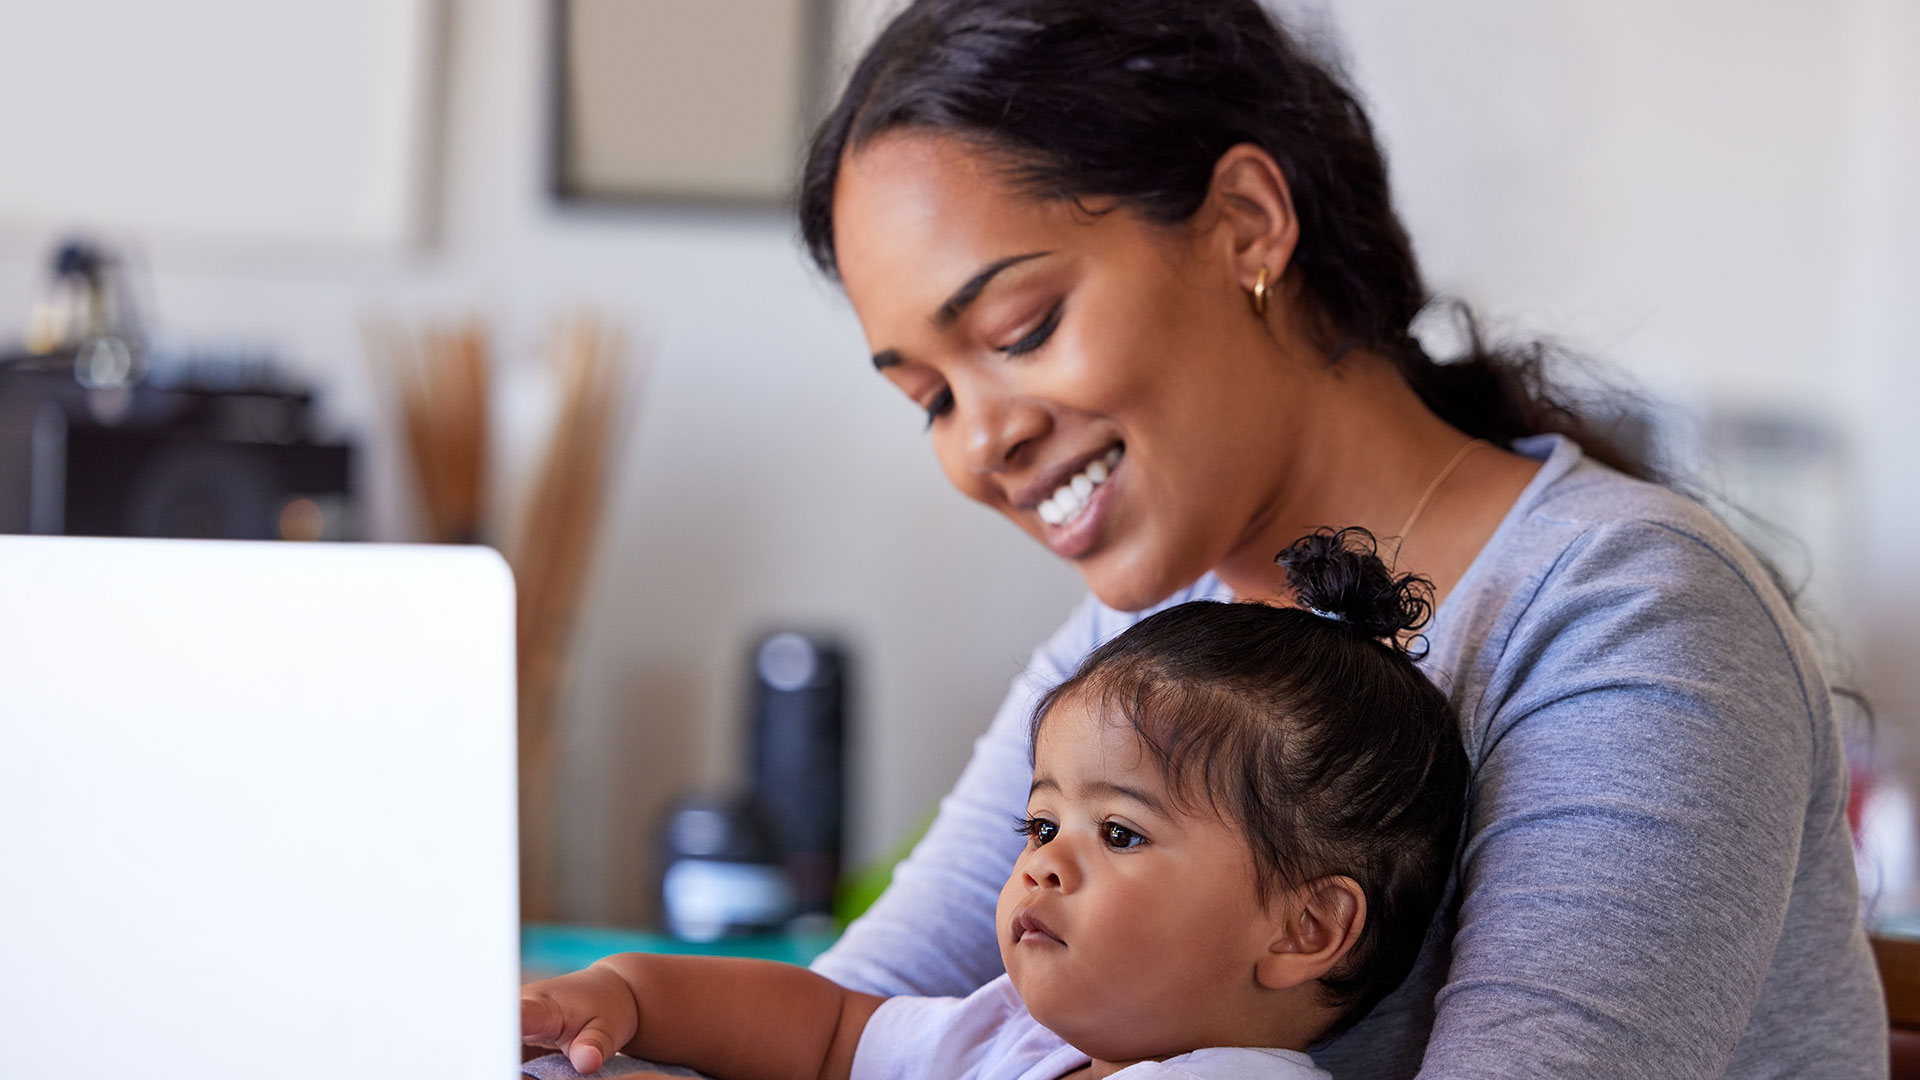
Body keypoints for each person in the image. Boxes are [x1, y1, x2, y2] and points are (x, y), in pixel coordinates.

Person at [792, 1, 1886, 1077]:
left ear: (1248, 224)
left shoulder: (1627, 616)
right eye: (931, 398)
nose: (985, 440)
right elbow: (844, 1016)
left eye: (1021, 330)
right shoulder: (1152, 636)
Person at [522, 531, 1471, 1079]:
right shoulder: (1013, 1039)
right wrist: (630, 995)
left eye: (1121, 832)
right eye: (1043, 822)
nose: (1043, 862)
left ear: (1305, 928)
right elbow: (823, 1032)